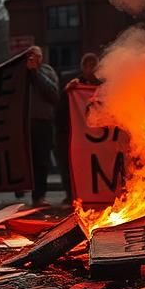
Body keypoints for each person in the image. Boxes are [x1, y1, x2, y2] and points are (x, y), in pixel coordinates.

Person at [57, 52, 102, 206]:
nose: (90, 68)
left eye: (93, 65)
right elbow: (60, 110)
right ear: (82, 67)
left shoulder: (104, 85)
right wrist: (67, 92)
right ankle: (72, 195)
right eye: (87, 65)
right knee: (74, 165)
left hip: (98, 137)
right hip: (78, 134)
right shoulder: (74, 85)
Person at [26, 46, 59, 207]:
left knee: (42, 161)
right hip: (24, 124)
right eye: (31, 56)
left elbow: (53, 93)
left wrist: (35, 73)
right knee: (28, 161)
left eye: (37, 56)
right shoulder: (20, 73)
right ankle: (31, 194)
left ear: (42, 57)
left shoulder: (47, 72)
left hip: (43, 122)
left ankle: (39, 195)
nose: (34, 59)